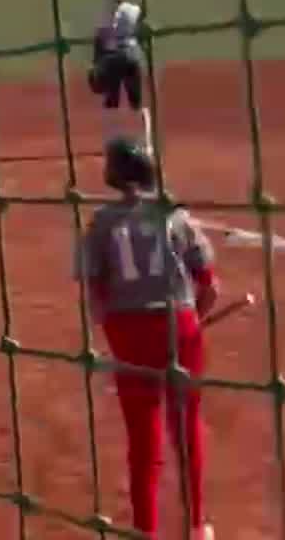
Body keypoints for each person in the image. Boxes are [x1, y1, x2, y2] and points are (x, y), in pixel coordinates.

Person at [78, 137, 217, 540]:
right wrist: (192, 324)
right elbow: (210, 287)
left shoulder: (101, 223)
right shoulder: (175, 214)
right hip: (181, 324)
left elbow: (96, 297)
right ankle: (198, 526)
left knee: (142, 439)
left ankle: (145, 532)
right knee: (187, 429)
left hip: (128, 333)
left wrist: (122, 337)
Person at [90, 0, 151, 150]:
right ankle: (147, 144)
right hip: (132, 56)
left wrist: (96, 64)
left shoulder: (103, 15)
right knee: (138, 104)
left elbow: (99, 42)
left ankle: (111, 143)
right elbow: (144, 24)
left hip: (113, 59)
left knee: (111, 104)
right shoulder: (134, 10)